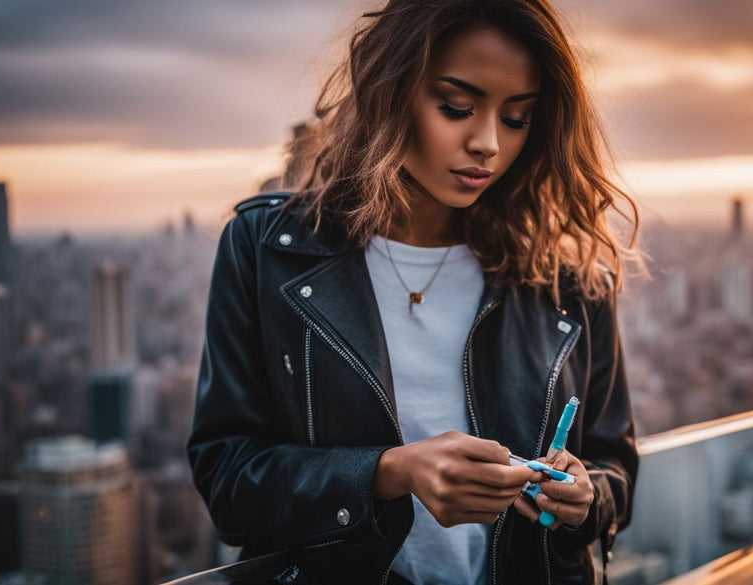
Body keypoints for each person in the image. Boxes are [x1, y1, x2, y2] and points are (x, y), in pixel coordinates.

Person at [187, 1, 641, 583]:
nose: (488, 143)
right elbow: (228, 480)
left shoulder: (566, 277)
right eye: (456, 107)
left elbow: (615, 468)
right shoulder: (267, 248)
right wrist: (389, 473)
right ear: (390, 91)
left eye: (517, 117)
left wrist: (584, 498)